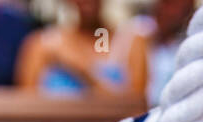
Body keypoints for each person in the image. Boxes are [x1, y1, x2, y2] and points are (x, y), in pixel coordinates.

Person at [14, 0, 148, 98]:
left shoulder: (130, 41)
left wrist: (84, 71)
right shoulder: (42, 44)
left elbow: (136, 108)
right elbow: (28, 106)